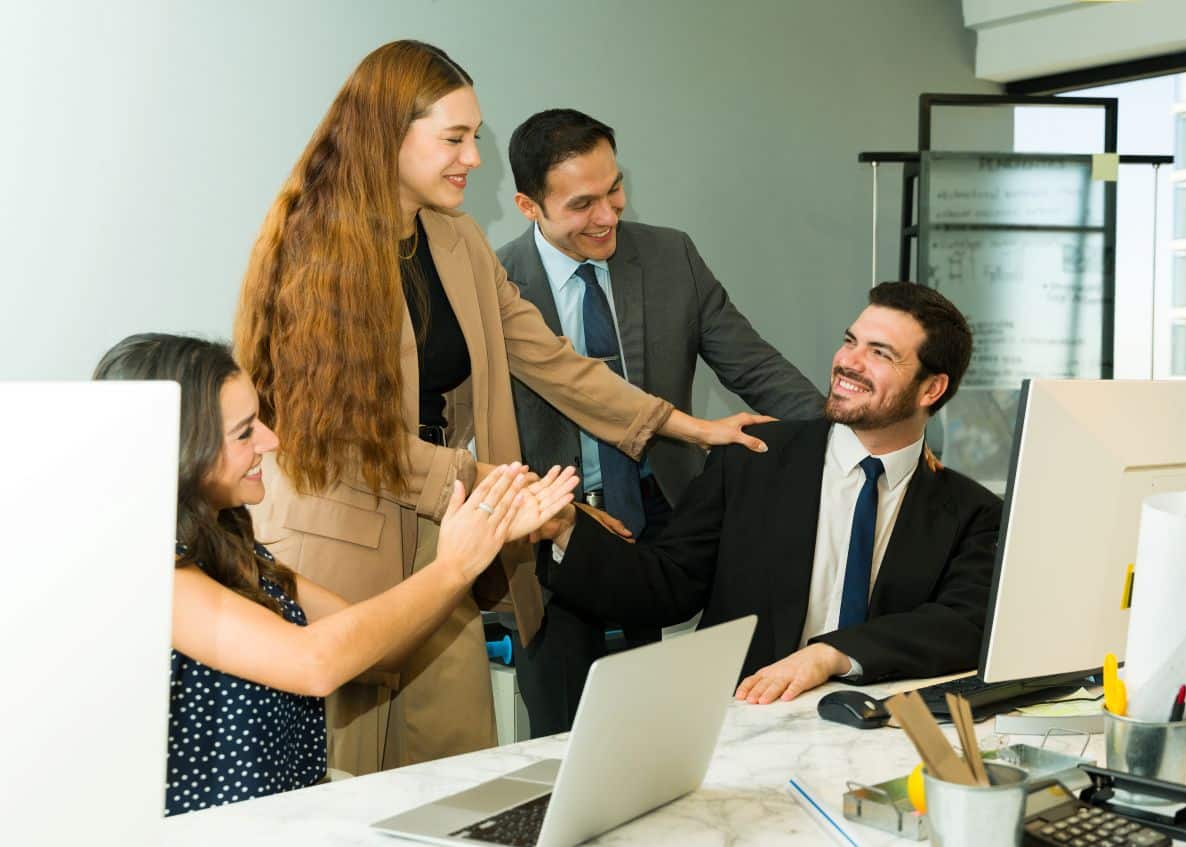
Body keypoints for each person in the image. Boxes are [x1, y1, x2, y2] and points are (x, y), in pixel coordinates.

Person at [233, 40, 767, 773]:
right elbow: (345, 439)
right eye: (454, 138)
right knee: (342, 778)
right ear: (388, 134)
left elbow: (550, 358)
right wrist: (501, 491)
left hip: (442, 529)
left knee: (451, 766)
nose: (473, 158)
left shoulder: (456, 239)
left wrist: (689, 426)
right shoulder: (314, 248)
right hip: (339, 539)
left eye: (474, 137)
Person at [92, 333, 577, 816]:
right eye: (244, 433)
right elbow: (316, 664)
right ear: (182, 451)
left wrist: (484, 533)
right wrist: (453, 566)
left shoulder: (231, 546)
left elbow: (375, 650)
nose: (270, 440)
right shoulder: (156, 579)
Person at [497, 108, 826, 734]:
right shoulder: (496, 282)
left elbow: (757, 369)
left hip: (668, 519)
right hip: (555, 535)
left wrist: (856, 435)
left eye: (614, 189)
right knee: (567, 734)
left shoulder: (671, 256)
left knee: (684, 724)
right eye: (582, 204)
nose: (608, 216)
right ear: (528, 205)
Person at [535, 282, 1004, 702]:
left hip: (881, 734)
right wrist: (566, 530)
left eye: (880, 353)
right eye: (850, 341)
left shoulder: (973, 513)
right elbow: (667, 586)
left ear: (931, 389)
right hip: (745, 723)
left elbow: (964, 625)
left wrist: (831, 655)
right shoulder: (752, 458)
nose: (848, 362)